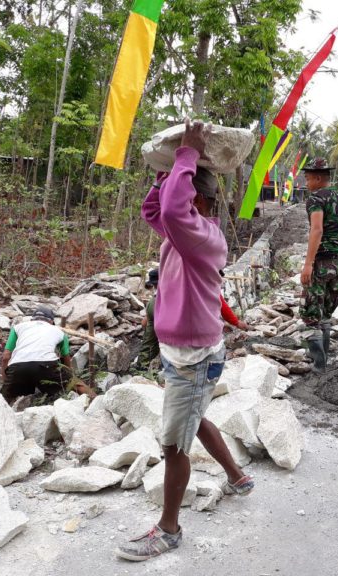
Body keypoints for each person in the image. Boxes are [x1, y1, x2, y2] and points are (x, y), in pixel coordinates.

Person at [116, 120, 254, 562]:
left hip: (194, 358)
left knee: (174, 443)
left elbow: (173, 213)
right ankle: (237, 476)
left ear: (198, 199)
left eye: (182, 188)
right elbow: (156, 213)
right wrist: (165, 172)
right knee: (194, 417)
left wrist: (188, 153)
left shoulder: (203, 238)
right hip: (184, 354)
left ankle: (169, 530)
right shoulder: (182, 237)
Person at [299, 157, 338, 371]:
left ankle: (318, 363)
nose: (306, 183)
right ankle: (322, 357)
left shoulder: (315, 198)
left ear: (318, 178)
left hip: (321, 261)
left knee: (311, 313)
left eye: (308, 178)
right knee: (326, 313)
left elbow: (317, 230)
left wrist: (308, 264)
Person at [135, 270, 247, 373]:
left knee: (151, 340)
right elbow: (222, 308)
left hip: (155, 304)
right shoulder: (205, 287)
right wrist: (236, 323)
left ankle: (141, 367)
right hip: (171, 309)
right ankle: (180, 368)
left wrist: (149, 318)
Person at [0, 307, 72, 403]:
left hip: (18, 367)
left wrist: (6, 378)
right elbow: (66, 358)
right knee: (68, 389)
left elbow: (6, 356)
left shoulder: (18, 328)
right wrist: (70, 377)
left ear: (32, 319)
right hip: (46, 366)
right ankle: (92, 398)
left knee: (4, 401)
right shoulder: (59, 331)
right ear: (51, 321)